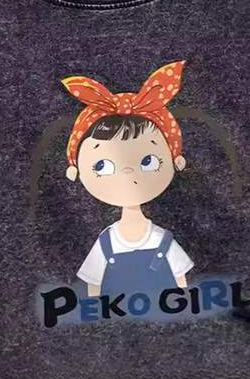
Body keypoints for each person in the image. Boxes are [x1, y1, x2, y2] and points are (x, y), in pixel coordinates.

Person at [63, 63, 194, 298]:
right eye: (101, 166)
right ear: (76, 169)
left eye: (148, 161)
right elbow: (94, 288)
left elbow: (181, 283)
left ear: (176, 160)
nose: (127, 174)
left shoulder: (162, 239)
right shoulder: (106, 242)